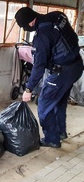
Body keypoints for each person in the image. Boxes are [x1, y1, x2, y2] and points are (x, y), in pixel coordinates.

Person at [14, 7, 83, 148]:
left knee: (44, 103)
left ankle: (52, 139)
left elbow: (39, 66)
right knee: (59, 100)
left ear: (30, 23)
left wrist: (28, 89)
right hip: (76, 65)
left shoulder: (42, 36)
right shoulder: (57, 15)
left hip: (62, 72)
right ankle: (60, 132)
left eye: (24, 27)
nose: (26, 29)